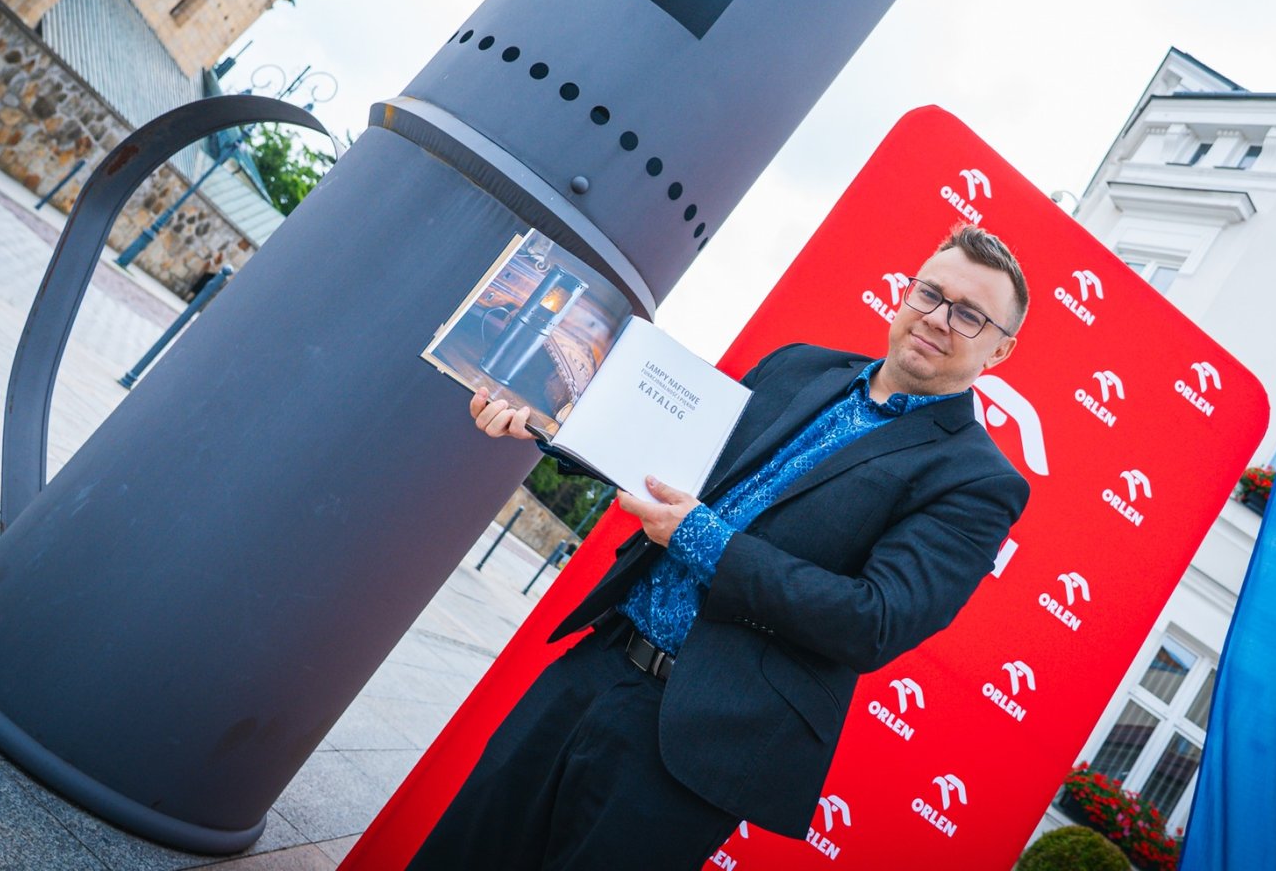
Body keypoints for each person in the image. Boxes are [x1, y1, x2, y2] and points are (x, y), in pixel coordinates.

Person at [411, 224, 1031, 870]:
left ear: (1000, 350)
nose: (936, 318)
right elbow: (665, 464)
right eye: (930, 293)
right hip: (595, 665)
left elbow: (874, 621)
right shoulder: (798, 366)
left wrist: (701, 538)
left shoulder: (978, 481)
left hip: (699, 746)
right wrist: (545, 420)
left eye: (969, 315)